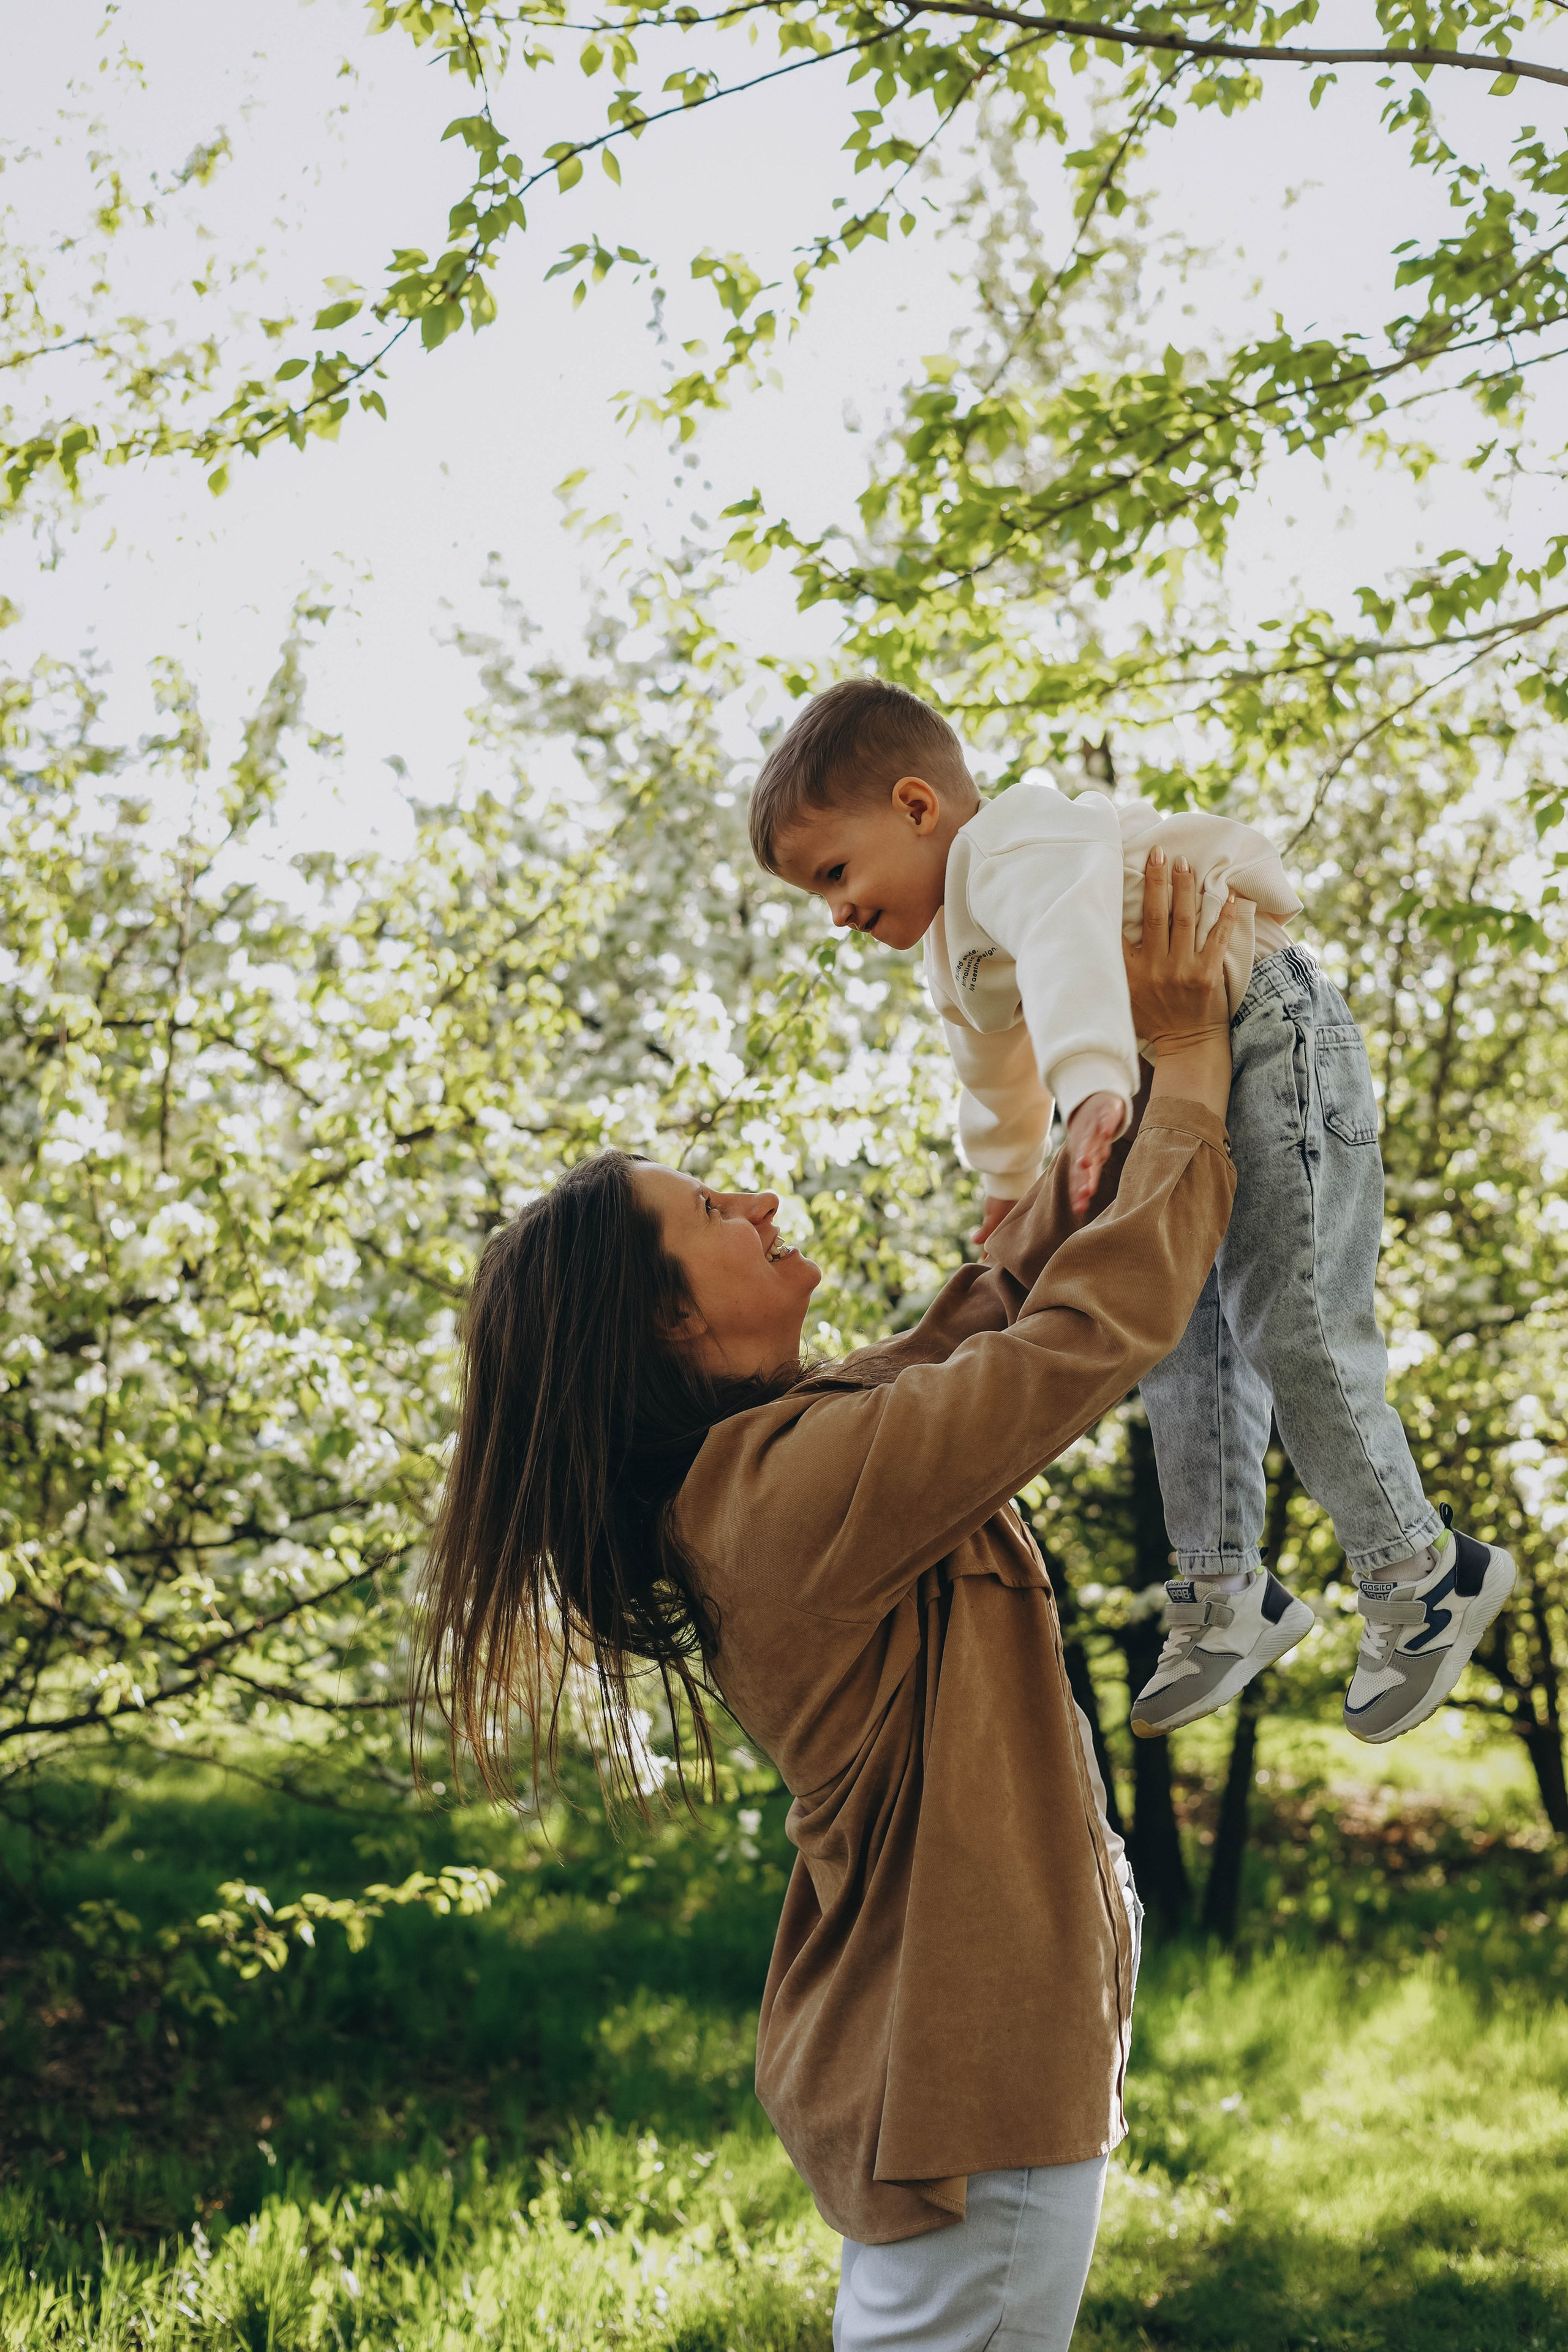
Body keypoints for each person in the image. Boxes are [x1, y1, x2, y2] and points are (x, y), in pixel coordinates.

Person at [414, 859, 1236, 2351]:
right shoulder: (783, 1499)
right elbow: (1075, 1346)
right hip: (960, 2090)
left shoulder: (757, 1468)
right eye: (716, 1208)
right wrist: (1182, 1070)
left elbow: (953, 1337)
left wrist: (1071, 1162)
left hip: (950, 2079)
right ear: (670, 1319)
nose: (763, 1196)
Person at [749, 678, 1516, 1749]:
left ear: (919, 807)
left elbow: (1067, 946)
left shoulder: (1010, 843)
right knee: (1174, 1338)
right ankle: (1224, 1591)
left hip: (1262, 1027)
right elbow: (989, 1059)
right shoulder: (952, 943)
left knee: (1289, 1317)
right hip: (1166, 1065)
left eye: (835, 873)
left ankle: (1422, 1570)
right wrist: (1009, 1176)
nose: (834, 913)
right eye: (813, 897)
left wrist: (1094, 1082)